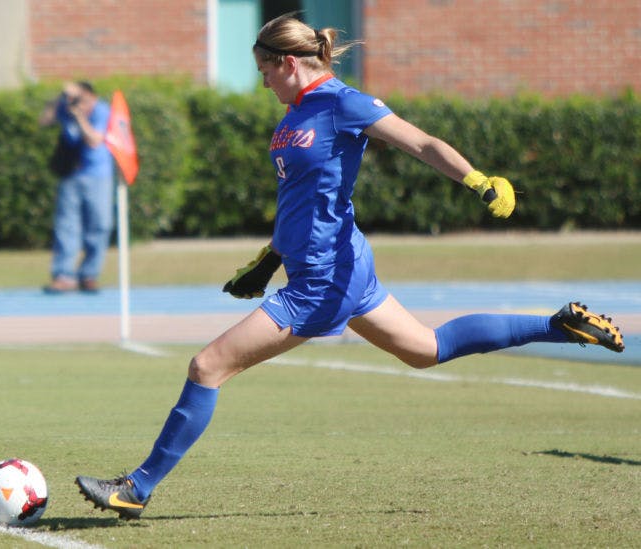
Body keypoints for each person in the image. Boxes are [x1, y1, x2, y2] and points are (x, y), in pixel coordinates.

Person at [75, 14, 624, 519]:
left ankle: (137, 488)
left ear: (289, 63)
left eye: (266, 70)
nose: (263, 82)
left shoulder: (342, 102)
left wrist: (478, 180)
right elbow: (304, 197)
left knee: (207, 366)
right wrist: (270, 258)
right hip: (331, 266)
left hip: (325, 279)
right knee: (427, 350)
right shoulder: (295, 114)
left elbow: (422, 142)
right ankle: (557, 326)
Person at [40, 81, 114, 293]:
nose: (75, 102)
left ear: (91, 96)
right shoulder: (65, 107)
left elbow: (94, 140)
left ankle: (89, 274)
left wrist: (80, 116)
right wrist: (59, 98)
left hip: (98, 176)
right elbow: (44, 121)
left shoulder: (101, 111)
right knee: (66, 227)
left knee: (99, 225)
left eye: (79, 98)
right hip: (71, 175)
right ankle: (63, 275)